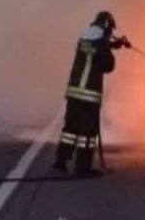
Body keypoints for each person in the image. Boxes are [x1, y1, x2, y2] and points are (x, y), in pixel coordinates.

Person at [53, 11, 130, 175]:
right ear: (108, 28)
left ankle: (61, 160)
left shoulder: (83, 40)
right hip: (89, 96)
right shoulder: (102, 44)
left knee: (70, 128)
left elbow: (94, 48)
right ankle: (82, 168)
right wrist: (113, 46)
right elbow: (109, 66)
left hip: (74, 93)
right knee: (87, 133)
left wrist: (114, 44)